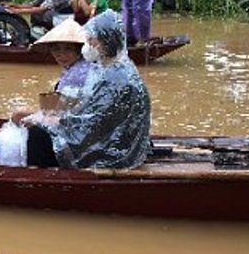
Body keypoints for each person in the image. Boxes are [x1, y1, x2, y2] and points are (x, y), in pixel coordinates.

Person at [22, 11, 152, 169]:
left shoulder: (114, 77)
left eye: (91, 40)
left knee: (37, 133)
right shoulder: (115, 69)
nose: (87, 44)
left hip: (111, 154)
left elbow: (94, 122)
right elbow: (92, 114)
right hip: (114, 143)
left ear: (104, 42)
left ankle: (41, 177)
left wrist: (53, 122)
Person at [8, 18, 93, 123]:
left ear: (79, 50)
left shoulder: (77, 74)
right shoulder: (79, 66)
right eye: (56, 49)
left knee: (18, 115)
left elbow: (59, 111)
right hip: (73, 114)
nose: (61, 54)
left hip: (74, 120)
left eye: (68, 49)